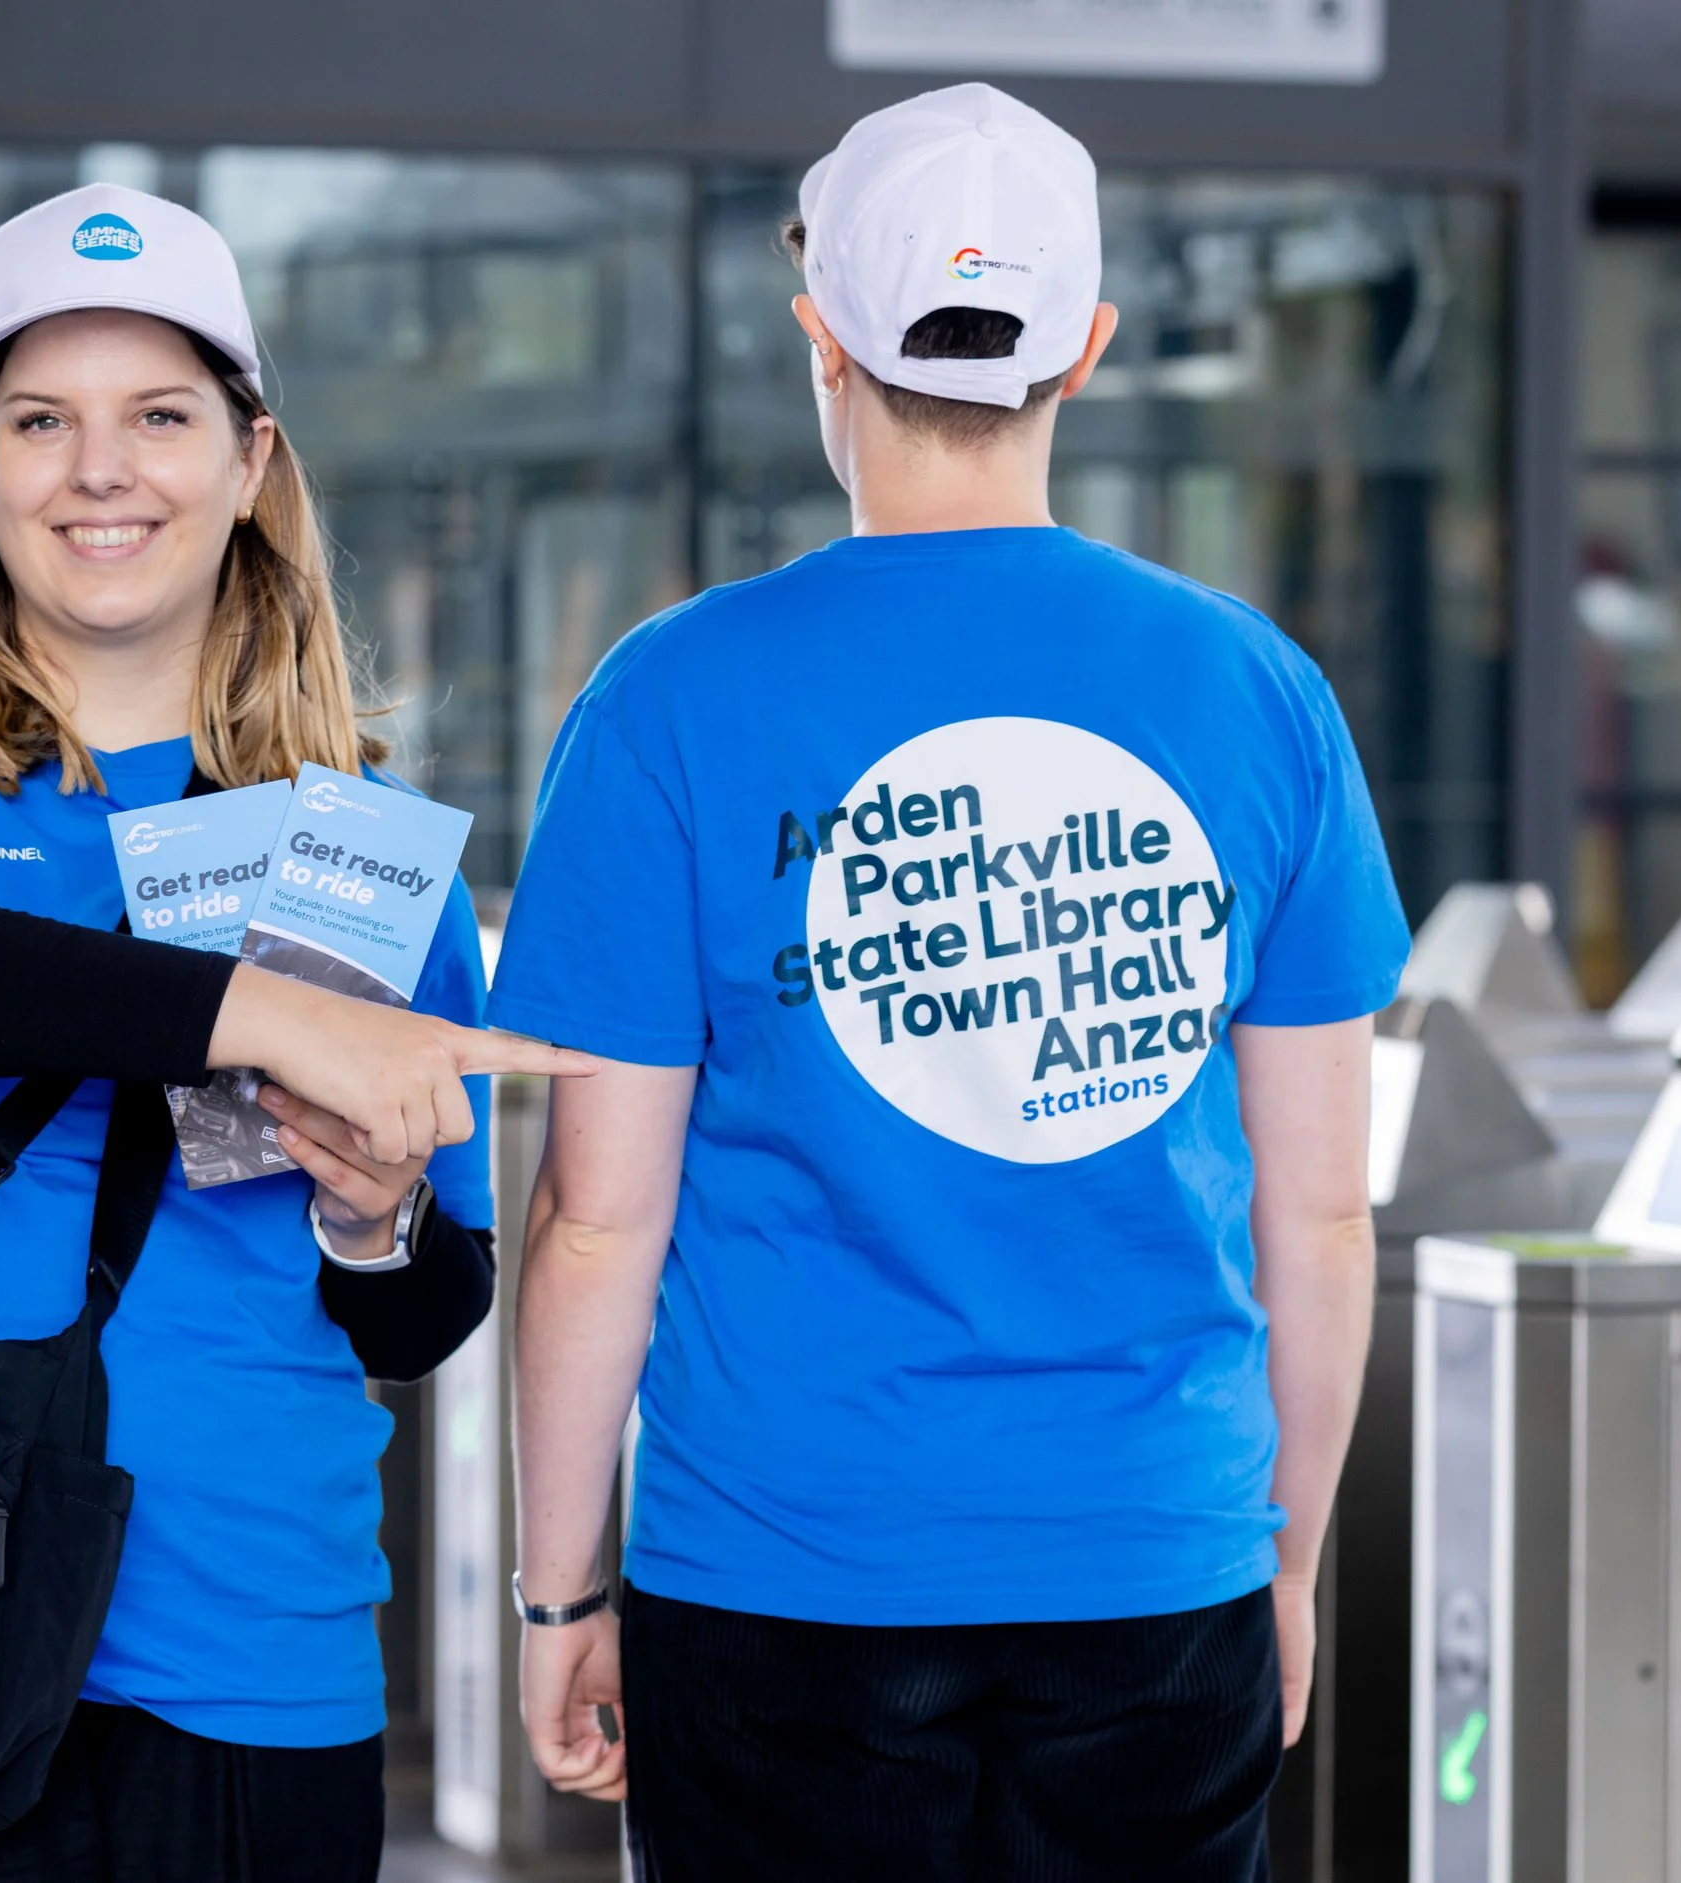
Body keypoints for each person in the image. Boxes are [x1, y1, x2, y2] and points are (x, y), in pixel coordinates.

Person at [490, 84, 1407, 1880]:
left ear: (818, 337)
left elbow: (599, 1219)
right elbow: (1321, 1216)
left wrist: (557, 1591)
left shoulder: (668, 700)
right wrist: (1286, 1554)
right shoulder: (1256, 691)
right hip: (1156, 1563)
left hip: (778, 1574)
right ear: (1088, 348)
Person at [0, 183, 583, 1883]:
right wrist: (253, 1009)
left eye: (160, 416)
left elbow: (428, 1306)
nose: (103, 470)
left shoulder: (358, 846)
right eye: (43, 421)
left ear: (249, 466)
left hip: (239, 1648)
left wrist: (369, 1214)